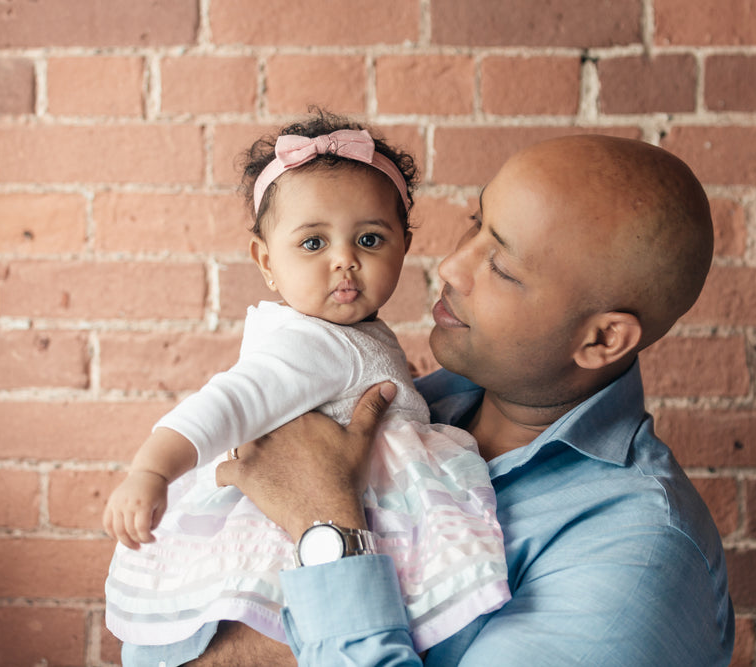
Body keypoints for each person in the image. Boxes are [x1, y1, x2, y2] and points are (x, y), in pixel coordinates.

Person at [171, 133, 735, 665]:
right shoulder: (409, 408)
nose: (451, 266)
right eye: (476, 223)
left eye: (503, 268)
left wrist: (326, 525)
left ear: (602, 338)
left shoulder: (635, 555)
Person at [102, 112, 511, 665]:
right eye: (313, 243)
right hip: (313, 513)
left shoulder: (343, 335)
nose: (344, 259)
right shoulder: (313, 345)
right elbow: (228, 402)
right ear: (267, 261)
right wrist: (152, 471)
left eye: (369, 238)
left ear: (404, 246)